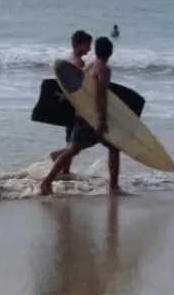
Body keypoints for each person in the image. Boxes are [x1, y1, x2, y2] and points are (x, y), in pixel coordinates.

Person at [41, 36, 124, 196]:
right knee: (79, 149)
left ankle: (50, 177)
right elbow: (101, 95)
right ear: (110, 52)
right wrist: (102, 119)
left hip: (83, 113)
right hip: (92, 116)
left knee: (104, 147)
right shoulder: (104, 70)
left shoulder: (90, 66)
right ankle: (47, 181)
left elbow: (79, 90)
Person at [48, 30, 94, 162]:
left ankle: (65, 171)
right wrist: (90, 68)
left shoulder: (68, 60)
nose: (89, 49)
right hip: (76, 108)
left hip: (68, 105)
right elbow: (80, 85)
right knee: (75, 145)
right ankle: (56, 156)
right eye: (87, 45)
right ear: (79, 45)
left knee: (70, 141)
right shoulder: (78, 63)